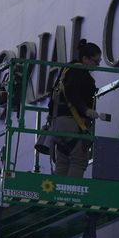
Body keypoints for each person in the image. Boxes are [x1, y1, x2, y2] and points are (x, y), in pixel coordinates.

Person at [47, 41, 104, 177]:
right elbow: (71, 93)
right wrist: (86, 110)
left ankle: (57, 196)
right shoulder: (79, 72)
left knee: (62, 162)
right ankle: (70, 196)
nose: (97, 65)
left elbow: (54, 96)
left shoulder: (66, 70)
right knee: (78, 161)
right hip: (72, 122)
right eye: (95, 61)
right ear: (85, 59)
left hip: (58, 124)